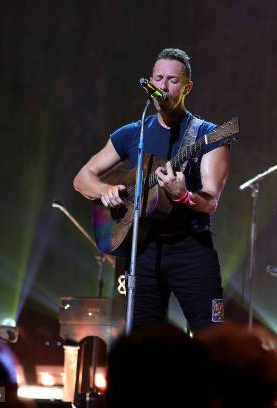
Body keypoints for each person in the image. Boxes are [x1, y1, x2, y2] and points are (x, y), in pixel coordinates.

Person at [74, 48, 229, 331]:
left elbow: (211, 201)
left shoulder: (209, 134)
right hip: (142, 249)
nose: (162, 86)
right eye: (158, 78)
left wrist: (183, 195)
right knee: (143, 343)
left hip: (191, 249)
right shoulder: (134, 133)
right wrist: (106, 191)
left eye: (172, 80)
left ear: (187, 87)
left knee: (212, 333)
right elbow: (83, 178)